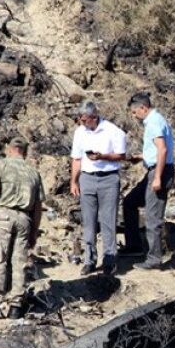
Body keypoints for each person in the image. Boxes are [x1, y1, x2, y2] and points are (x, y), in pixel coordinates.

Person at [0, 137, 45, 319]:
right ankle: (16, 305)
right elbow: (38, 208)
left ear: (10, 148)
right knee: (19, 262)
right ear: (25, 150)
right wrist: (34, 232)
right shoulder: (34, 172)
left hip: (2, 214)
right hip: (24, 218)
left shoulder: (1, 164)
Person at [70, 101, 127, 276]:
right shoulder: (80, 132)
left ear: (94, 117)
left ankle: (109, 260)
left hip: (108, 178)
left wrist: (103, 156)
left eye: (84, 119)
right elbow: (77, 158)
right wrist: (74, 181)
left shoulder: (113, 131)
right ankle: (89, 260)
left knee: (108, 221)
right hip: (87, 178)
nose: (82, 122)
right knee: (88, 221)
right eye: (80, 119)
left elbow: (121, 155)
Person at [122, 91, 175, 271]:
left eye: (134, 112)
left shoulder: (153, 122)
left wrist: (158, 177)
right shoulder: (156, 120)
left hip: (159, 172)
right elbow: (157, 151)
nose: (133, 115)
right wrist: (142, 156)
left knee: (153, 218)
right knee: (129, 202)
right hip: (155, 170)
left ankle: (154, 259)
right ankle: (134, 246)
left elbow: (162, 151)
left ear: (143, 108)